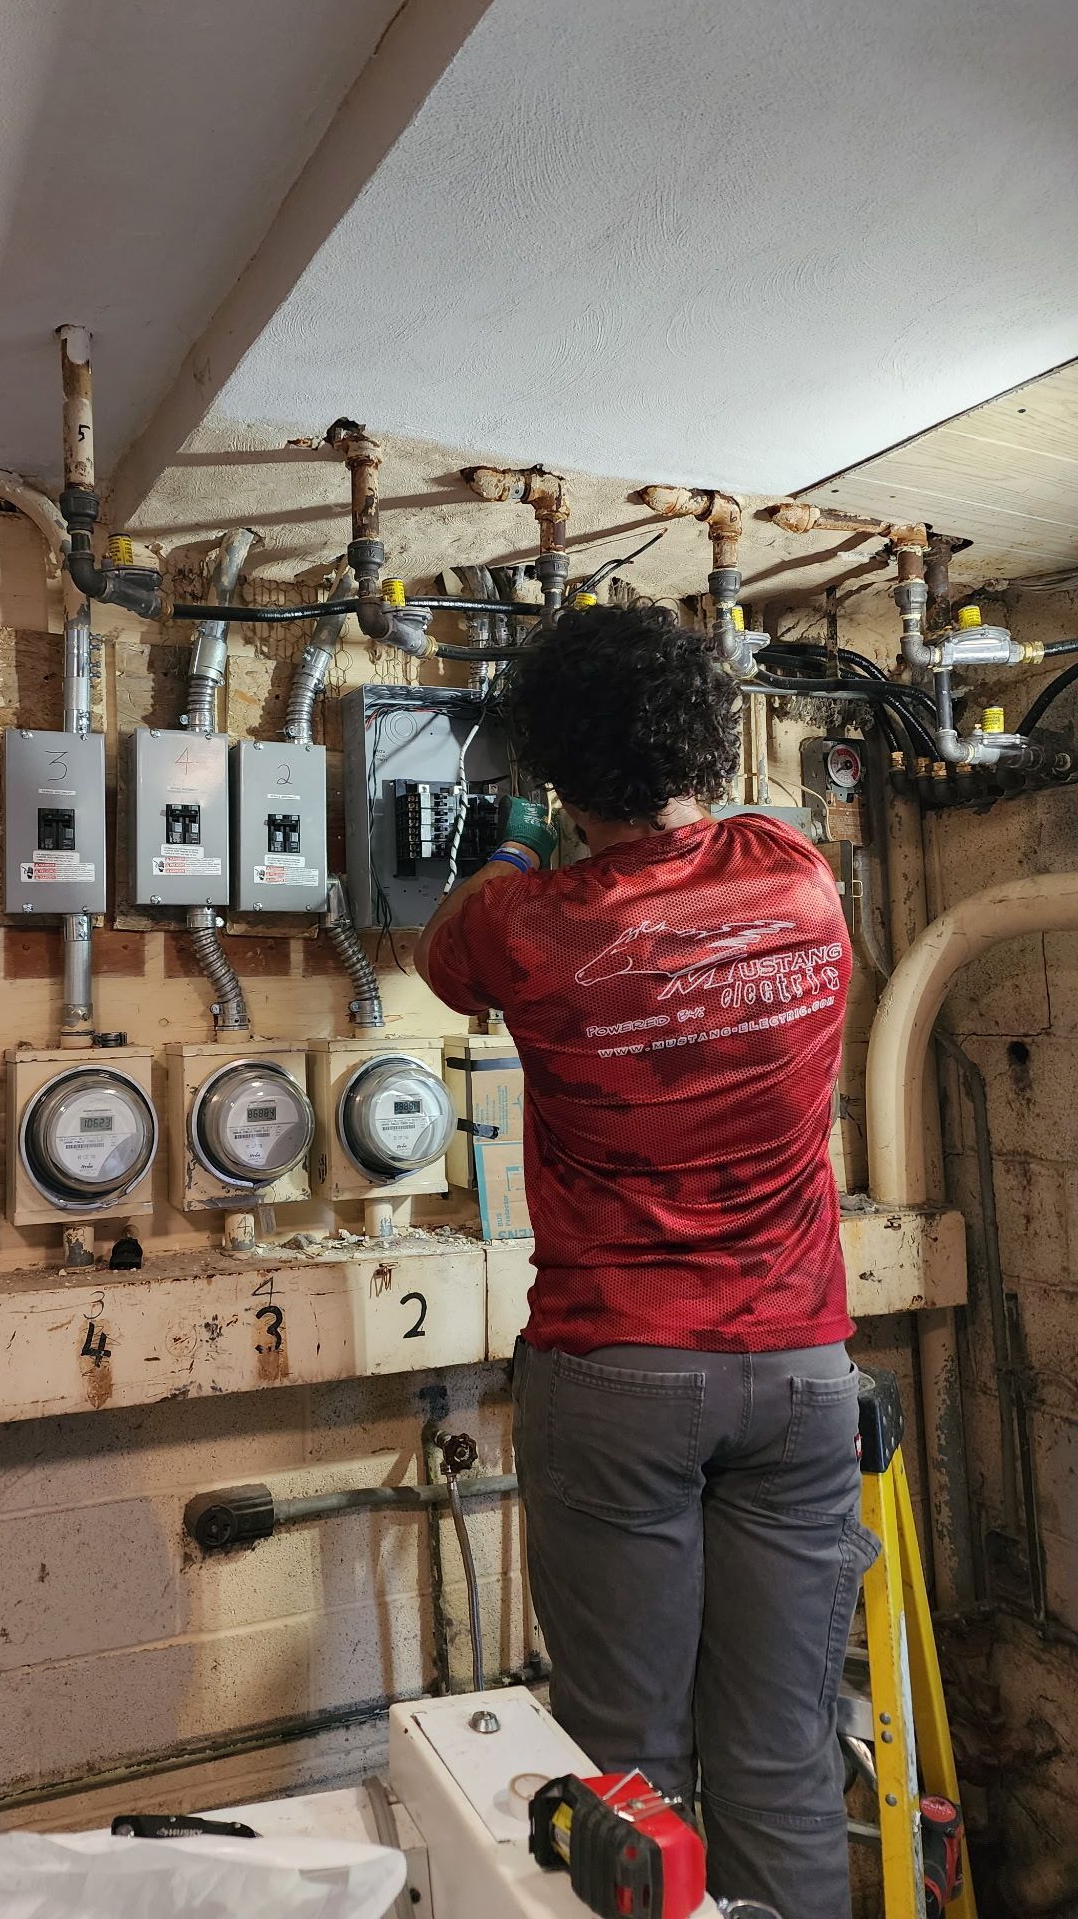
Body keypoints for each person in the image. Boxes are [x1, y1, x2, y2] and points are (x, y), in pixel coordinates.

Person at [415, 602, 875, 1919]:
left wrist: (518, 830)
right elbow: (731, 832)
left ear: (558, 768)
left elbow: (449, 945)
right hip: (801, 1373)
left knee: (633, 1773)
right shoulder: (799, 875)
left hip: (619, 1376)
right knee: (786, 1758)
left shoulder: (522, 930)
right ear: (710, 737)